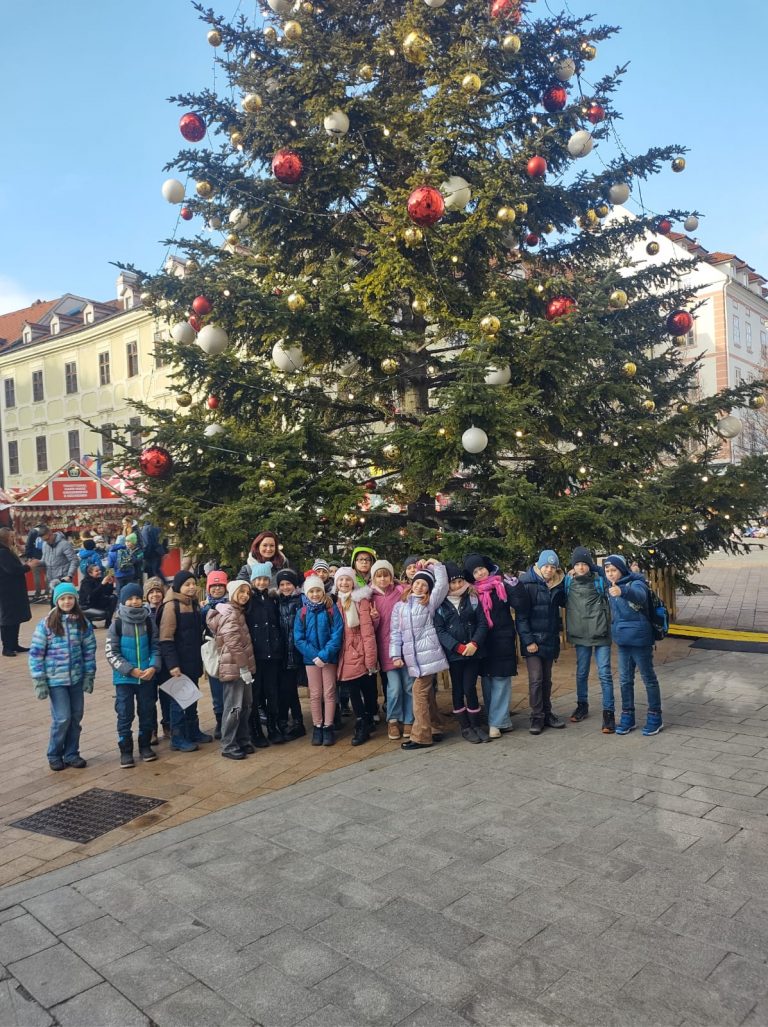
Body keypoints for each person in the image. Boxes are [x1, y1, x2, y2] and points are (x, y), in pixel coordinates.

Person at [28, 582, 96, 771]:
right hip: (55, 680)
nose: (67, 601)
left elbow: (89, 650)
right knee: (62, 718)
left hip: (76, 678)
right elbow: (35, 654)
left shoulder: (83, 623)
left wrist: (89, 674)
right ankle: (54, 753)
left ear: (75, 599)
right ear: (56, 601)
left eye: (70, 597)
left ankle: (72, 753)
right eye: (63, 598)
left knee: (75, 717)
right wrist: (39, 680)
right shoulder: (47, 624)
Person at [463, 554, 528, 739]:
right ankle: (501, 720)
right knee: (487, 681)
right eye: (475, 571)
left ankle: (495, 723)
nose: (480, 573)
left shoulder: (501, 585)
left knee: (501, 680)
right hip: (482, 642)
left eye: (481, 568)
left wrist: (515, 586)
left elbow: (520, 605)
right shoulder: (472, 592)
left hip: (502, 639)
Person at [390, 560, 449, 751]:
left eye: (424, 584)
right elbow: (395, 632)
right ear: (412, 583)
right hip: (411, 657)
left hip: (428, 656)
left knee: (419, 693)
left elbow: (442, 585)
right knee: (427, 694)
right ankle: (436, 726)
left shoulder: (429, 603)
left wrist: (436, 564)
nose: (420, 586)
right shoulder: (400, 606)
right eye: (417, 582)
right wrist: (395, 655)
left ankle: (421, 735)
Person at [603, 554, 663, 737]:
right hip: (622, 641)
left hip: (639, 639)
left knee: (648, 678)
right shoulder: (610, 587)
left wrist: (623, 591)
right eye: (607, 571)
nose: (610, 574)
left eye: (614, 570)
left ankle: (655, 715)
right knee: (624, 680)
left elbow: (640, 597)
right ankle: (627, 714)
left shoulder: (635, 584)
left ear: (622, 570)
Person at [105, 583, 161, 767]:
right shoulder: (117, 623)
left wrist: (153, 667)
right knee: (124, 714)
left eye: (137, 597)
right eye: (130, 598)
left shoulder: (148, 621)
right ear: (123, 601)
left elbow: (155, 647)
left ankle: (145, 746)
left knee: (146, 712)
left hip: (146, 677)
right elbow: (111, 653)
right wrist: (129, 669)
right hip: (124, 679)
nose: (134, 601)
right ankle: (126, 751)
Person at [435, 560, 489, 743]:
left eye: (459, 581)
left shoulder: (472, 599)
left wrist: (474, 643)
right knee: (458, 689)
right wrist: (457, 647)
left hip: (473, 651)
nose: (457, 585)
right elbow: (440, 631)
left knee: (470, 687)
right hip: (455, 654)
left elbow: (482, 623)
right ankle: (465, 726)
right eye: (453, 582)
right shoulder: (441, 605)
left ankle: (476, 724)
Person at [158, 570, 211, 752]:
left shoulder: (194, 603)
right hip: (178, 664)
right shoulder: (171, 606)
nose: (191, 587)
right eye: (187, 584)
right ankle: (178, 737)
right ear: (178, 586)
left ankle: (193, 731)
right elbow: (166, 638)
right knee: (178, 701)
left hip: (193, 660)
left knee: (191, 698)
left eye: (193, 584)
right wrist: (172, 665)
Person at [565, 546, 615, 733]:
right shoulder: (568, 581)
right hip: (580, 634)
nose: (580, 567)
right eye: (577, 564)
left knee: (605, 674)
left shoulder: (600, 580)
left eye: (584, 564)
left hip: (601, 633)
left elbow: (612, 575)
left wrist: (597, 568)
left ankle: (608, 713)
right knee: (581, 672)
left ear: (590, 566)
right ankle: (582, 705)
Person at [517, 550, 567, 735]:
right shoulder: (527, 584)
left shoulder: (557, 585)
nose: (548, 570)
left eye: (552, 567)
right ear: (538, 565)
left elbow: (557, 612)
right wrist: (528, 640)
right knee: (536, 679)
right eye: (546, 566)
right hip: (533, 641)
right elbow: (521, 617)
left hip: (549, 639)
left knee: (547, 680)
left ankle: (547, 713)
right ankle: (536, 716)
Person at [207, 580, 257, 760]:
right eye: (241, 592)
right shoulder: (229, 612)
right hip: (234, 667)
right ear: (233, 593)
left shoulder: (237, 610)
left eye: (247, 592)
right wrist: (243, 667)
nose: (245, 595)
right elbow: (233, 642)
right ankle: (228, 744)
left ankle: (243, 740)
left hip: (241, 667)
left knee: (245, 706)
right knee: (234, 708)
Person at [294, 573, 344, 746]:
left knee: (329, 693)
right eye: (311, 591)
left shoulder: (331, 609)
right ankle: (317, 725)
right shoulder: (302, 612)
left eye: (318, 591)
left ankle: (328, 726)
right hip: (311, 660)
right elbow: (298, 638)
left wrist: (324, 655)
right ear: (306, 593)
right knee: (315, 694)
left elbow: (337, 634)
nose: (315, 594)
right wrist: (314, 656)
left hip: (328, 658)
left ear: (323, 591)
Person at [335, 567, 379, 747]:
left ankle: (368, 719)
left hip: (360, 649)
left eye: (347, 580)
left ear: (353, 582)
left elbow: (368, 632)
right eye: (340, 580)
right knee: (352, 688)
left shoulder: (361, 601)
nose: (344, 583)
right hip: (344, 652)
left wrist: (370, 658)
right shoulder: (334, 602)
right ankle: (361, 721)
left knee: (367, 687)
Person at [370, 559, 411, 741]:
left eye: (385, 575)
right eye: (378, 576)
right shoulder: (370, 597)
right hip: (386, 649)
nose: (382, 579)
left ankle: (409, 719)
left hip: (406, 646)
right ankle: (393, 719)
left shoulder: (402, 592)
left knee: (409, 686)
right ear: (374, 578)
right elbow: (370, 628)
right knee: (394, 688)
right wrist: (375, 619)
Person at [246, 561, 285, 745]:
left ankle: (273, 726)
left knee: (273, 693)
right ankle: (255, 730)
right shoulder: (249, 600)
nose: (261, 582)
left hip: (273, 654)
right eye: (258, 579)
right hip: (255, 655)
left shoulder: (272, 599)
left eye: (265, 579)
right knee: (255, 695)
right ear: (253, 580)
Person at [275, 568, 306, 739]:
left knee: (289, 688)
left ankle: (294, 722)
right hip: (282, 652)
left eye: (289, 584)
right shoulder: (277, 601)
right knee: (287, 689)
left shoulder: (301, 601)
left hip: (296, 651)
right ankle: (294, 722)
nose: (286, 587)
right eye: (282, 584)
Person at [201, 570, 229, 739]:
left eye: (220, 586)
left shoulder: (231, 604)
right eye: (214, 586)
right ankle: (219, 719)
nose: (217, 589)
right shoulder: (204, 608)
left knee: (230, 688)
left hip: (229, 650)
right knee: (216, 687)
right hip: (213, 650)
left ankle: (229, 718)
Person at [0, 527, 34, 656]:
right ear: (5, 538)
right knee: (7, 619)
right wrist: (28, 567)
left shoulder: (7, 550)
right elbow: (12, 570)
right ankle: (7, 646)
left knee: (15, 618)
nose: (13, 539)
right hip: (6, 591)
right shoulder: (2, 552)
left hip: (12, 590)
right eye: (11, 537)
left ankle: (14, 644)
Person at [144, 576, 167, 743]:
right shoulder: (143, 612)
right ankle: (151, 729)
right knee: (150, 697)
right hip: (149, 660)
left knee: (167, 694)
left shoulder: (167, 609)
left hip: (166, 658)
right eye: (151, 592)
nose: (155, 595)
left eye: (158, 591)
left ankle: (168, 725)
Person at [39, 526, 77, 597]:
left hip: (63, 580)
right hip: (52, 581)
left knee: (64, 605)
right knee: (55, 605)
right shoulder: (45, 545)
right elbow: (44, 560)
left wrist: (69, 576)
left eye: (47, 539)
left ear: (51, 533)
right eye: (44, 540)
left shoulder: (64, 544)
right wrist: (38, 562)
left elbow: (74, 560)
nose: (46, 541)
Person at [78, 563, 116, 628]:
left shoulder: (100, 579)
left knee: (113, 597)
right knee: (104, 612)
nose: (99, 572)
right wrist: (102, 584)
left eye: (99, 570)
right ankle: (89, 622)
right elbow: (91, 596)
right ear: (90, 573)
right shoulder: (86, 582)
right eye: (96, 571)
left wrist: (110, 584)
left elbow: (108, 593)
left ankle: (108, 622)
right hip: (87, 605)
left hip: (97, 601)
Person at [25, 521, 48, 601]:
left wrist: (29, 556)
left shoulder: (32, 532)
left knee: (36, 575)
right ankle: (47, 592)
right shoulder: (46, 530)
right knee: (46, 575)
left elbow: (28, 544)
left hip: (35, 557)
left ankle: (38, 593)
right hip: (46, 556)